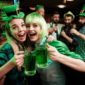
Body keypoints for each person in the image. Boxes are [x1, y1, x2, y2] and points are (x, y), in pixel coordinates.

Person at [25, 12, 85, 85]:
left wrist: (58, 56)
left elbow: (83, 66)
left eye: (35, 25)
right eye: (27, 26)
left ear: (41, 28)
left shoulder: (54, 45)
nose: (30, 29)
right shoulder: (31, 48)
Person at [0, 5, 27, 85]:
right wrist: (12, 63)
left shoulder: (22, 43)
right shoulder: (6, 48)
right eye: (14, 27)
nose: (21, 30)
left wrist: (49, 38)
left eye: (22, 25)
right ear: (9, 31)